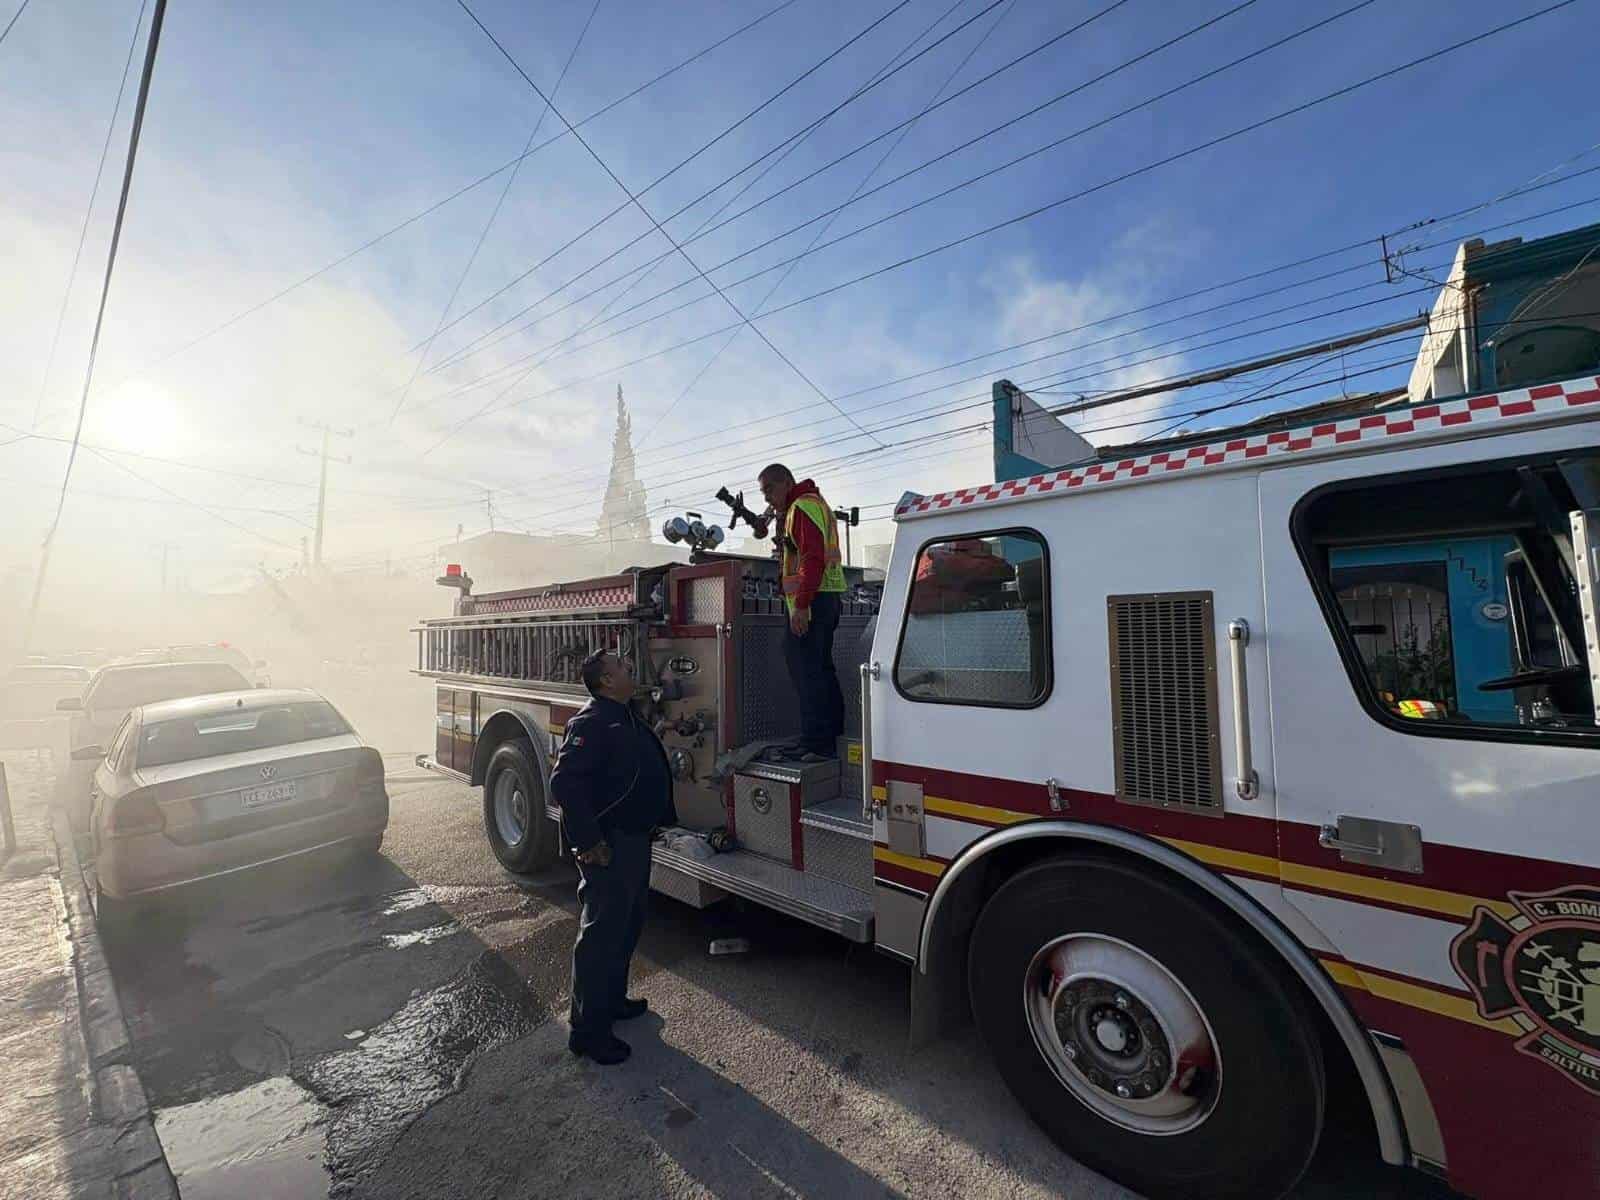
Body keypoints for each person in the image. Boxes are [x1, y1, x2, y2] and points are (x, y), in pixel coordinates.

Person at [549, 648, 677, 1065]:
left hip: (633, 841)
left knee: (628, 923)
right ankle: (587, 1032)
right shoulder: (592, 721)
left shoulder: (621, 713)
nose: (629, 667)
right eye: (622, 665)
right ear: (606, 681)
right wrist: (588, 841)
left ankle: (612, 1001)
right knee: (601, 935)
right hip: (609, 846)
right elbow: (565, 783)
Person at [757, 463, 847, 759]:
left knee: (806, 669)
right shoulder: (815, 503)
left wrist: (802, 606)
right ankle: (829, 737)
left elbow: (812, 557)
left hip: (813, 601)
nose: (767, 498)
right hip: (827, 597)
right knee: (820, 667)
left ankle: (816, 743)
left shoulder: (801, 507)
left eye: (769, 489)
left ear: (785, 482)